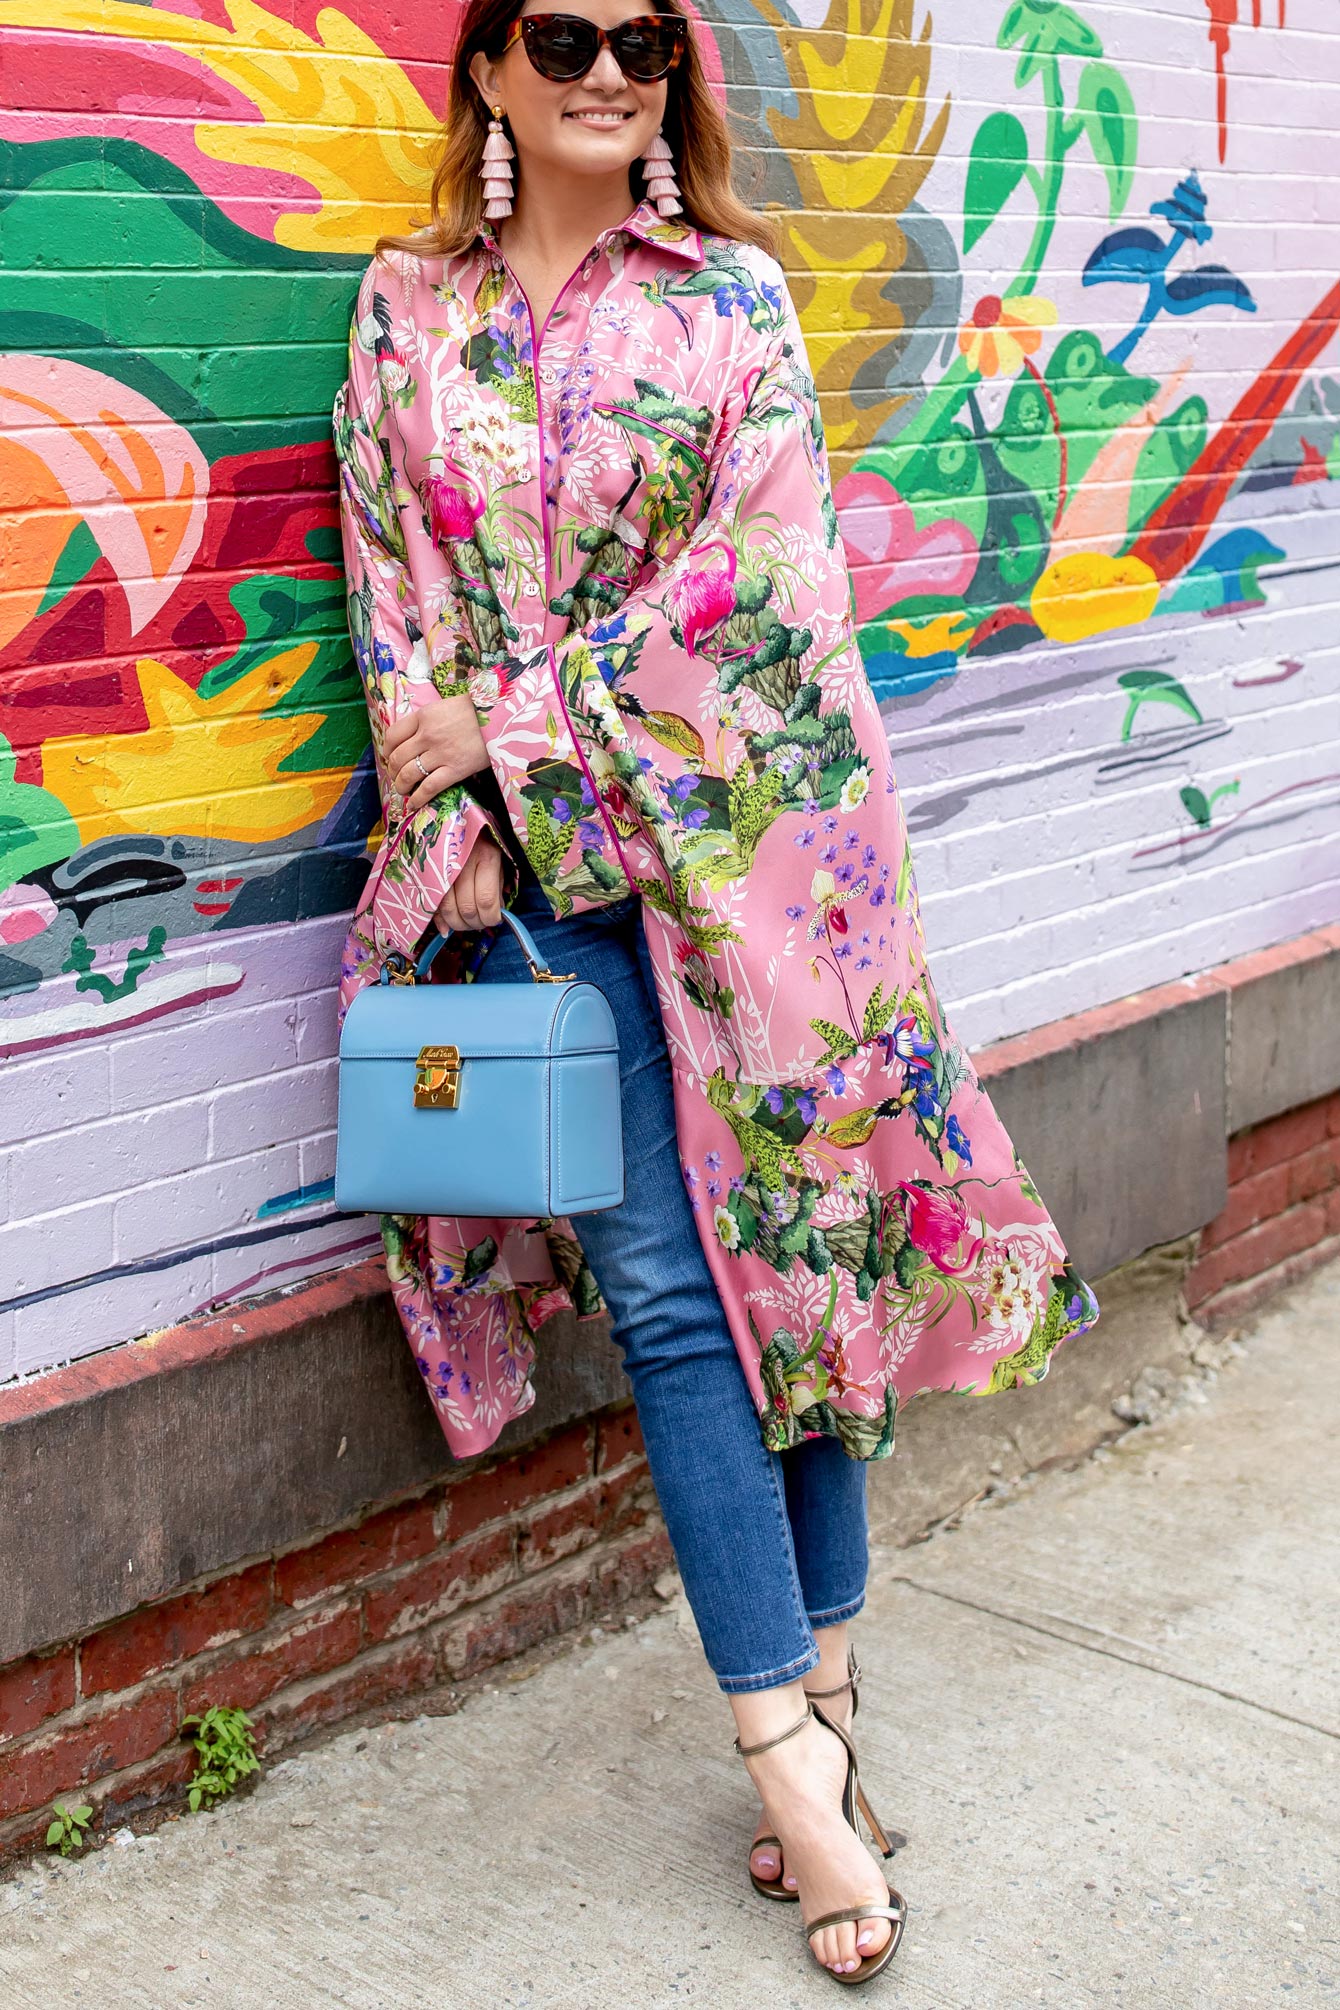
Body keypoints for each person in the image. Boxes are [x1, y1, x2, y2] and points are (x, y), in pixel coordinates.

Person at [333, 0, 1101, 1982]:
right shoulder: (404, 310)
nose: (612, 71)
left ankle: (820, 1728)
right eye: (569, 36)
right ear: (490, 68)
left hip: (757, 873)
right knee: (679, 1303)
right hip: (539, 887)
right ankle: (791, 1769)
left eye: (648, 43)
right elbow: (387, 590)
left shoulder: (732, 301)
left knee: (804, 1272)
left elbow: (761, 594)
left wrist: (502, 718)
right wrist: (464, 803)